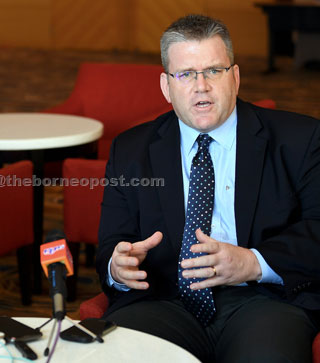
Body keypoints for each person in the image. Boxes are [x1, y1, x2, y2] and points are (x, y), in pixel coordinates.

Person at [97, 14, 320, 362]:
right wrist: (118, 267)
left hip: (263, 302)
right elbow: (110, 244)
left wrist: (252, 262)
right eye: (185, 74)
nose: (201, 86)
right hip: (162, 301)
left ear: (235, 77)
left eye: (214, 71)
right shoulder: (131, 150)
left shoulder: (300, 139)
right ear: (166, 87)